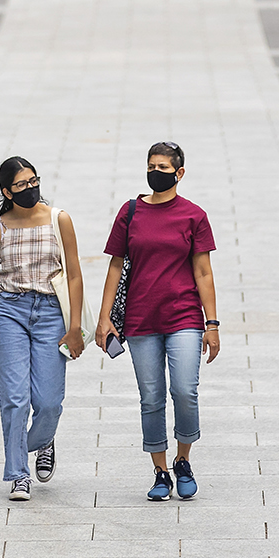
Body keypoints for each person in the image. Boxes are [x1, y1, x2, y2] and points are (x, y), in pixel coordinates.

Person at [0, 156, 85, 502]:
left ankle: (43, 440)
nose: (30, 189)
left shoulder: (59, 220)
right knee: (14, 400)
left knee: (48, 402)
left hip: (50, 313)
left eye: (33, 181)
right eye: (22, 185)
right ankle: (18, 475)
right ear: (6, 191)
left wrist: (75, 328)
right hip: (10, 312)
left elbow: (73, 274)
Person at [93, 141, 219, 503]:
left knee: (184, 391)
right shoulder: (130, 212)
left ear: (179, 173)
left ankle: (183, 460)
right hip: (140, 319)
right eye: (152, 166)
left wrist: (212, 324)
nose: (156, 173)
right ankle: (161, 471)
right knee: (151, 398)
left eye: (164, 168)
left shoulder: (193, 215)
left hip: (184, 316)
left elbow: (203, 272)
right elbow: (116, 265)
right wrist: (105, 319)